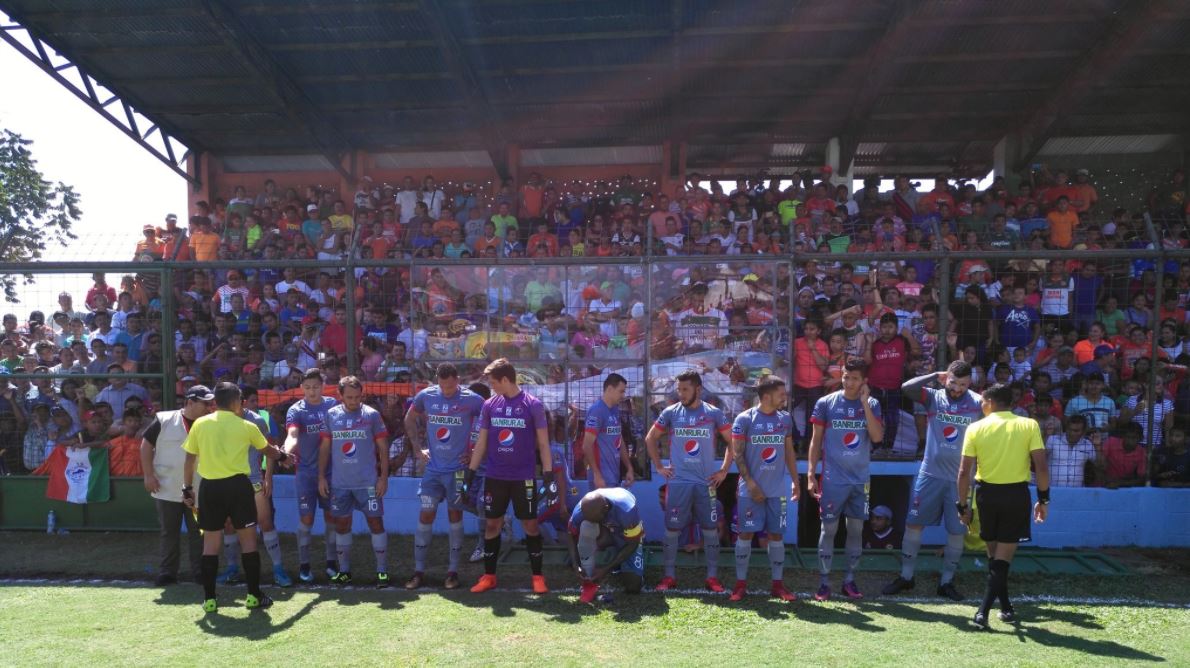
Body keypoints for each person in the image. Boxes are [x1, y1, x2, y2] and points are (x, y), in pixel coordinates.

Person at [182, 382, 291, 613]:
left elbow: (189, 459)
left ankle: (210, 600)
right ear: (235, 402)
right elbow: (268, 451)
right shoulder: (246, 425)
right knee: (249, 542)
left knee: (210, 545)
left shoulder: (200, 424)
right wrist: (284, 457)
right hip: (239, 487)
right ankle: (253, 596)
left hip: (209, 488)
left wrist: (187, 488)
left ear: (215, 402)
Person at [883, 361, 982, 601]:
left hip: (961, 481)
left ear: (970, 384)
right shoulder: (934, 397)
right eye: (953, 382)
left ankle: (947, 582)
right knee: (914, 525)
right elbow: (906, 387)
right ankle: (906, 577)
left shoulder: (979, 403)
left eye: (963, 384)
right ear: (945, 379)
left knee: (957, 531)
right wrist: (933, 375)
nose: (957, 389)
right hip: (930, 475)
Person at [957, 382, 1050, 630]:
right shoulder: (1028, 425)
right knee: (1001, 559)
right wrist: (1043, 500)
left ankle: (999, 608)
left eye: (982, 402)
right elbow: (1041, 467)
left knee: (995, 557)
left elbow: (964, 472)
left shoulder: (975, 428)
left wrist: (962, 506)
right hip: (1015, 496)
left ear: (990, 402)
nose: (981, 406)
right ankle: (985, 611)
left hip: (985, 496)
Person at [459, 358, 556, 594]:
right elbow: (480, 442)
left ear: (505, 380)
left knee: (530, 525)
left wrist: (548, 474)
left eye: (494, 383)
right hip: (495, 476)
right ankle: (489, 576)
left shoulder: (533, 405)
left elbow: (543, 443)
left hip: (524, 477)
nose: (491, 387)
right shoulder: (490, 405)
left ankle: (537, 577)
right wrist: (469, 473)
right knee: (492, 524)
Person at [645, 370, 732, 593]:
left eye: (685, 389)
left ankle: (712, 578)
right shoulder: (671, 413)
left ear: (698, 389)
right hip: (679, 483)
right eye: (679, 389)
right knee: (672, 530)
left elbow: (733, 442)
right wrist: (659, 467)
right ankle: (669, 577)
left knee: (711, 530)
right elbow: (650, 438)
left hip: (706, 483)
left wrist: (723, 470)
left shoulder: (714, 414)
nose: (681, 394)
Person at [403, 363, 485, 590]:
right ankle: (418, 572)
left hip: (457, 473)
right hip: (433, 472)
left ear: (457, 380)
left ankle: (452, 572)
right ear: (437, 381)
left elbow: (488, 422)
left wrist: (475, 450)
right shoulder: (426, 396)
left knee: (454, 517)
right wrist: (418, 449)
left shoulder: (472, 399)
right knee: (425, 515)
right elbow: (409, 419)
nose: (447, 391)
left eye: (451, 386)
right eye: (443, 386)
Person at [807, 359, 884, 601]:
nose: (849, 382)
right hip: (832, 480)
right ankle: (823, 583)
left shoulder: (872, 404)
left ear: (864, 382)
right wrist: (810, 473)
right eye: (846, 377)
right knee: (828, 529)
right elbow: (815, 441)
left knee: (856, 530)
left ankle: (849, 581)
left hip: (860, 480)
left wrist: (864, 403)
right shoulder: (825, 403)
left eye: (854, 378)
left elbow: (877, 436)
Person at [729, 375, 799, 602]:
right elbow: (737, 454)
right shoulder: (744, 419)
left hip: (777, 489)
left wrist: (796, 481)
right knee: (746, 533)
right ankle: (740, 585)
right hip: (750, 489)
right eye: (781, 394)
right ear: (767, 396)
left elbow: (788, 451)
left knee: (776, 535)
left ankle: (778, 585)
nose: (785, 397)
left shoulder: (785, 419)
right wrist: (750, 483)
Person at [318, 376, 391, 587]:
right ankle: (345, 572)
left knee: (376, 523)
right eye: (349, 397)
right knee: (341, 525)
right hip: (340, 484)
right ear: (340, 396)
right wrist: (321, 476)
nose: (354, 401)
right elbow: (324, 448)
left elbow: (383, 448)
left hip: (368, 483)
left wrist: (383, 478)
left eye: (357, 397)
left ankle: (382, 571)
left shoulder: (372, 415)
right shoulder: (331, 415)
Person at [140, 385, 214, 586]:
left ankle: (201, 572)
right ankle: (167, 573)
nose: (209, 407)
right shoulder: (164, 419)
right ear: (190, 402)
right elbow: (146, 445)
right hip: (165, 486)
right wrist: (148, 475)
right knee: (168, 531)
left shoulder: (211, 422)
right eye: (205, 403)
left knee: (199, 532)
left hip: (199, 488)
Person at [283, 369, 340, 583]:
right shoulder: (296, 410)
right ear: (301, 388)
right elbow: (292, 435)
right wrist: (285, 451)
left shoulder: (333, 406)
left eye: (315, 386)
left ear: (323, 386)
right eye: (307, 387)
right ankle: (304, 565)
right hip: (306, 473)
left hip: (332, 472)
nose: (311, 391)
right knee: (306, 519)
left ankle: (331, 562)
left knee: (331, 518)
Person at [566, 488, 646, 604]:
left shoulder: (627, 510)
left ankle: (624, 565)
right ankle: (589, 578)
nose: (592, 520)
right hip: (605, 531)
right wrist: (574, 563)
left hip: (626, 534)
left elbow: (632, 543)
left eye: (595, 519)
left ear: (606, 510)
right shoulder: (581, 510)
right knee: (586, 526)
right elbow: (570, 534)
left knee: (633, 587)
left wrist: (606, 569)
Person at [583, 373, 635, 489]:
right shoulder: (596, 411)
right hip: (601, 480)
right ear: (610, 389)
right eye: (621, 391)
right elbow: (586, 446)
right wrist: (597, 474)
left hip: (614, 477)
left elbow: (619, 439)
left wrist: (629, 468)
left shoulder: (615, 409)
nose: (623, 395)